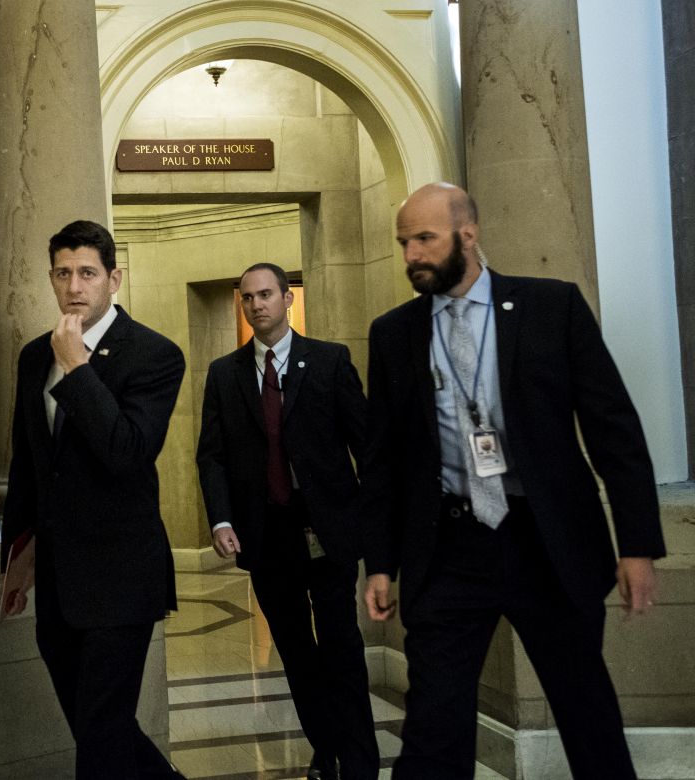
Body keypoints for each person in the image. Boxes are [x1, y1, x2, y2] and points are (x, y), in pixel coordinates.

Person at [360, 183, 666, 779]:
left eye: (425, 239)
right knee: (432, 728)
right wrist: (380, 562)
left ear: (468, 234)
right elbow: (383, 459)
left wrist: (637, 545)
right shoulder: (394, 333)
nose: (412, 256)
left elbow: (614, 430)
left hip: (546, 543)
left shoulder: (551, 307)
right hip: (448, 549)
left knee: (586, 712)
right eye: (404, 243)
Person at [0, 220, 186, 779]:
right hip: (59, 581)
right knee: (99, 727)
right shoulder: (34, 356)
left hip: (122, 577)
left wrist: (79, 368)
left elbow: (127, 452)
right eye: (63, 274)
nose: (74, 286)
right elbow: (29, 464)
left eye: (87, 273)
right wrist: (16, 559)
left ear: (113, 279)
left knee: (102, 736)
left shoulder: (154, 354)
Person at [196, 263, 379, 780]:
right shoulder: (225, 374)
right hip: (266, 534)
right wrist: (220, 520)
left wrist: (369, 522)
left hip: (328, 530)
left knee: (342, 646)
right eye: (248, 297)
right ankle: (326, 749)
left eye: (266, 295)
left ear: (287, 299)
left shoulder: (329, 360)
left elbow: (366, 444)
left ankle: (360, 764)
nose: (257, 305)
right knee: (296, 652)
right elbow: (212, 455)